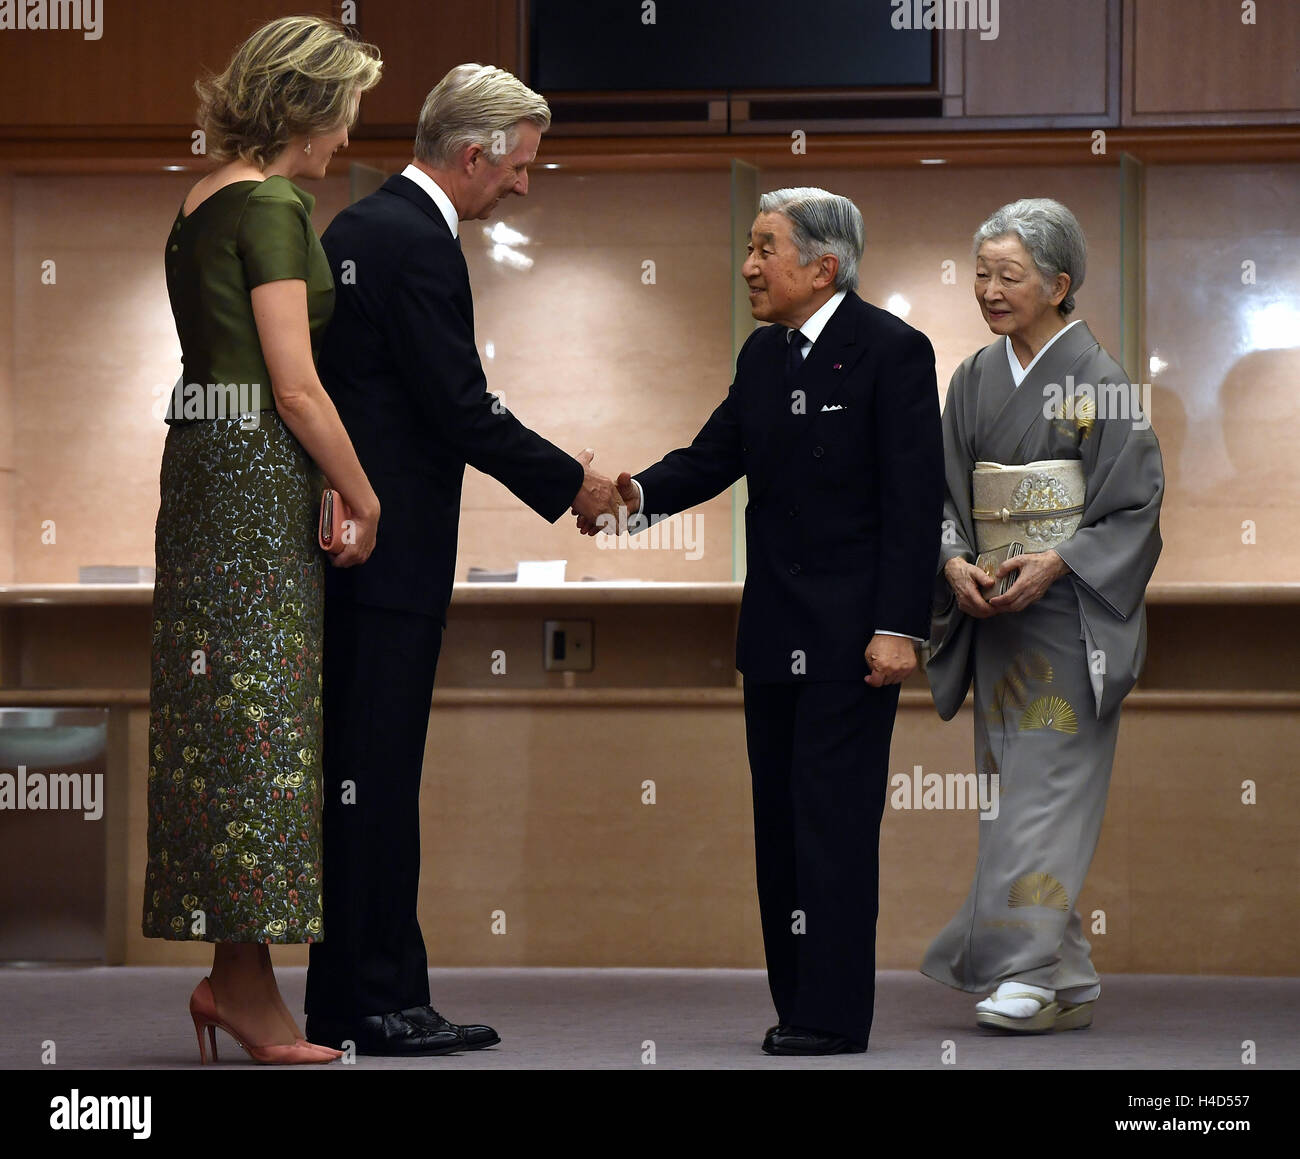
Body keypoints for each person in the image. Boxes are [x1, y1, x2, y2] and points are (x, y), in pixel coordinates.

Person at [303, 64, 623, 1056]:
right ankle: (381, 1002)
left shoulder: (363, 227)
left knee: (360, 781)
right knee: (377, 782)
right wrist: (570, 480)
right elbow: (459, 406)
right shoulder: (417, 243)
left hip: (356, 557)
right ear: (474, 154)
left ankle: (355, 995)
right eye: (519, 166)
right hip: (387, 562)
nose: (523, 185)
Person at [580, 187, 944, 1054]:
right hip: (773, 633)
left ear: (825, 266)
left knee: (835, 828)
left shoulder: (892, 351)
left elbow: (914, 499)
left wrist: (900, 625)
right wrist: (627, 499)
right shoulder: (761, 355)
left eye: (765, 248)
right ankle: (796, 1003)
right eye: (749, 246)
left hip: (855, 639)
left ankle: (832, 1013)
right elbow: (712, 457)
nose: (748, 265)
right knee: (779, 828)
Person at [143, 16, 382, 1064]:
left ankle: (237, 978)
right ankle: (243, 988)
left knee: (216, 728)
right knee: (266, 729)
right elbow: (294, 384)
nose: (344, 139)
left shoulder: (197, 203)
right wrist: (361, 491)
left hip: (198, 459)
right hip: (251, 474)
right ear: (309, 107)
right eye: (344, 114)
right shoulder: (277, 202)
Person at [921, 198, 1164, 1031]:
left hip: (1069, 621)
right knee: (1010, 792)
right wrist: (954, 557)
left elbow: (1133, 509)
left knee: (1043, 796)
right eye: (981, 273)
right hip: (996, 618)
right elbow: (944, 493)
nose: (988, 289)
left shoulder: (1103, 383)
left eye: (1009, 275)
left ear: (1060, 285)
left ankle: (1024, 970)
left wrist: (1060, 558)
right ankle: (1067, 976)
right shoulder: (974, 378)